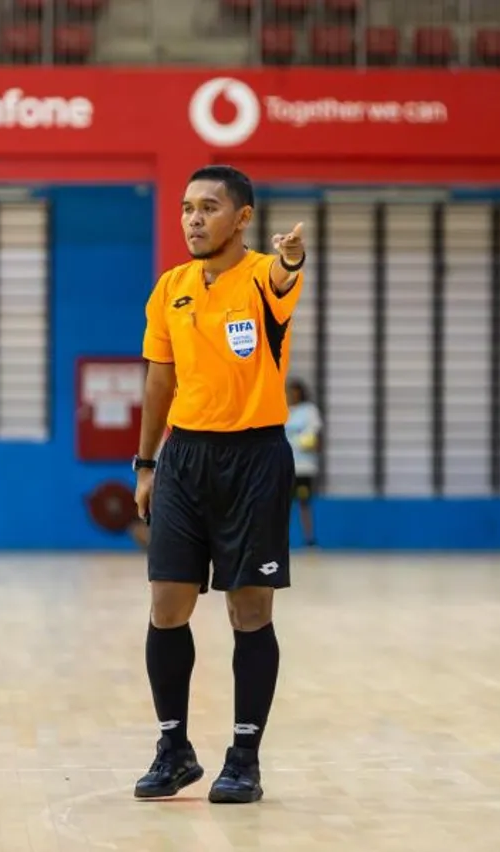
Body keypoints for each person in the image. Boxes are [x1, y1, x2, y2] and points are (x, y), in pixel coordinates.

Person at [132, 164, 307, 805]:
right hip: (183, 459)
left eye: (209, 207)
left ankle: (244, 758)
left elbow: (286, 276)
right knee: (167, 604)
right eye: (187, 207)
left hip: (255, 457)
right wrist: (146, 464)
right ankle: (174, 749)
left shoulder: (263, 276)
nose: (194, 219)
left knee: (249, 610)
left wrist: (293, 257)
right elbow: (159, 380)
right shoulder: (170, 288)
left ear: (242, 218)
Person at [284, 379, 323, 547]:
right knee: (282, 505)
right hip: (284, 466)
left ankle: (309, 539)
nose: (292, 395)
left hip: (303, 467)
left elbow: (316, 439)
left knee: (304, 504)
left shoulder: (309, 411)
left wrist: (309, 443)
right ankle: (280, 540)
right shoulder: (281, 410)